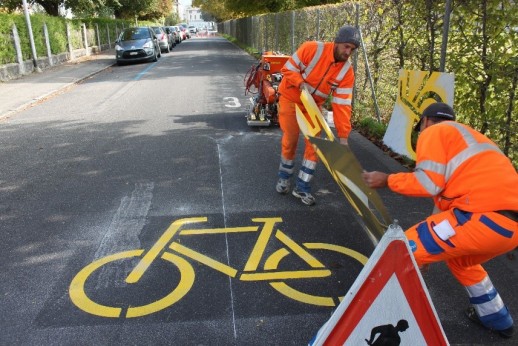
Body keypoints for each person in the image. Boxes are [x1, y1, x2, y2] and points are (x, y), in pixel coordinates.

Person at [361, 102, 518, 338]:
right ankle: (497, 318)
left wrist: (387, 180)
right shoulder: (475, 142)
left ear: (425, 121)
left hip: (478, 217)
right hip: (508, 229)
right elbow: (441, 209)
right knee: (462, 262)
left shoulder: (435, 132)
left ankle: (361, 317)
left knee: (399, 249)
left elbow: (427, 183)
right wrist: (428, 248)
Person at [275, 25, 360, 205]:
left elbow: (342, 104)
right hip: (290, 97)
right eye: (346, 46)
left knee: (315, 143)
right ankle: (284, 177)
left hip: (313, 106)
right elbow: (288, 68)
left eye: (352, 49)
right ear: (336, 42)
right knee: (290, 139)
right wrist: (300, 83)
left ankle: (302, 187)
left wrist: (343, 137)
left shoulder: (346, 71)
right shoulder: (312, 48)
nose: (348, 52)